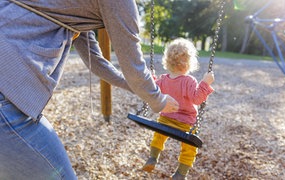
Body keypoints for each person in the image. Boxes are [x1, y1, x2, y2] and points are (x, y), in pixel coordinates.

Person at [0, 1, 179, 179]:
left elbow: (95, 60)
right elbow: (134, 68)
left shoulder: (72, 8)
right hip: (6, 90)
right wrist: (158, 100)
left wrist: (140, 89)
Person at [142, 38, 215, 179]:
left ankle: (152, 157)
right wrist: (205, 82)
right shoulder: (189, 81)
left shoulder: (163, 79)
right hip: (186, 123)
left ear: (168, 61)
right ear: (189, 63)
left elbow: (153, 89)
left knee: (158, 136)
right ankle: (181, 173)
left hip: (165, 119)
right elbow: (197, 99)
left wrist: (151, 77)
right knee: (189, 147)